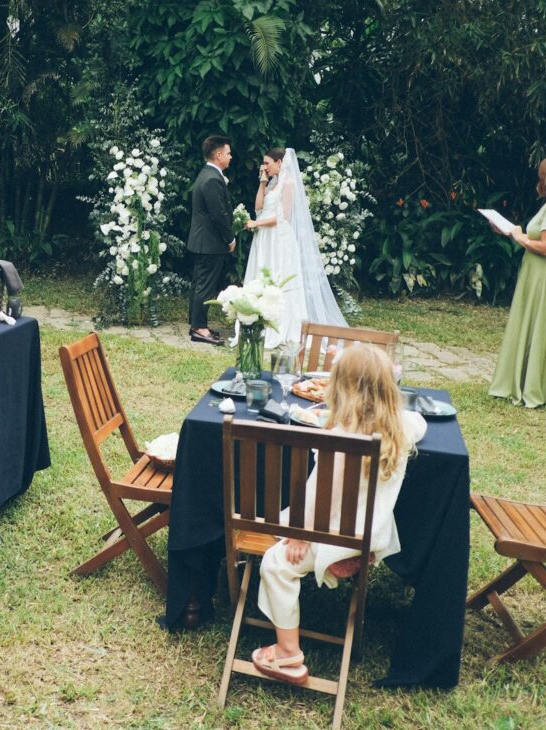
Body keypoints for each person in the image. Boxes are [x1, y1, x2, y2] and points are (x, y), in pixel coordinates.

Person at [251, 344, 427, 683]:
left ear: (341, 388)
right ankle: (344, 562)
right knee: (287, 531)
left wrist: (302, 533)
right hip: (370, 536)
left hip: (334, 534)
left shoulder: (338, 438)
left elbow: (319, 495)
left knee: (274, 563)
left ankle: (288, 654)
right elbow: (420, 422)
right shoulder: (403, 429)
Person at [489, 154, 546, 408]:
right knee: (534, 322)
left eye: (543, 175)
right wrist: (511, 231)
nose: (540, 179)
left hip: (545, 272)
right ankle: (526, 378)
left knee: (537, 322)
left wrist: (519, 237)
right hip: (543, 271)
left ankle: (528, 385)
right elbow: (541, 237)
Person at [244, 148, 347, 349]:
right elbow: (258, 208)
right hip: (266, 238)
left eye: (267, 163)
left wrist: (257, 224)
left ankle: (282, 325)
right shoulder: (272, 182)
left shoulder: (288, 183)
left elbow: (283, 218)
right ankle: (260, 320)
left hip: (279, 239)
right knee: (263, 277)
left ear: (280, 162)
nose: (264, 167)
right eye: (263, 163)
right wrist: (262, 182)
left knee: (280, 278)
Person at [187, 135, 236, 346]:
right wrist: (230, 237)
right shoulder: (213, 179)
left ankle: (197, 325)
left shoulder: (207, 174)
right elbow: (218, 214)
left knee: (200, 284)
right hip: (209, 242)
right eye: (228, 153)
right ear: (218, 155)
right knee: (205, 286)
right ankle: (199, 329)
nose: (230, 157)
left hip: (202, 241)